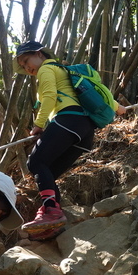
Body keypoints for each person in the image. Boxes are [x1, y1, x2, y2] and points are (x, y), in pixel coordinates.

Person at [15, 40, 125, 240]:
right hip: (85, 133)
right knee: (48, 172)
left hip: (68, 120)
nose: (26, 67)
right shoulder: (66, 71)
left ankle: (51, 212)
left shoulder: (46, 70)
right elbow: (98, 94)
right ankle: (53, 222)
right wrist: (119, 108)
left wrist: (38, 125)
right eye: (23, 66)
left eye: (26, 60)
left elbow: (49, 96)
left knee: (36, 162)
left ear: (39, 54)